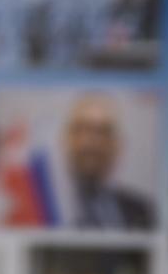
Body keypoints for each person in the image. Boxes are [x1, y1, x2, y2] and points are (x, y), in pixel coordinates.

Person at [62, 95, 154, 230]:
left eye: (102, 132)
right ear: (66, 139)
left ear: (117, 145)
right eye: (81, 129)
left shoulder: (142, 211)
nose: (90, 142)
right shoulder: (38, 208)